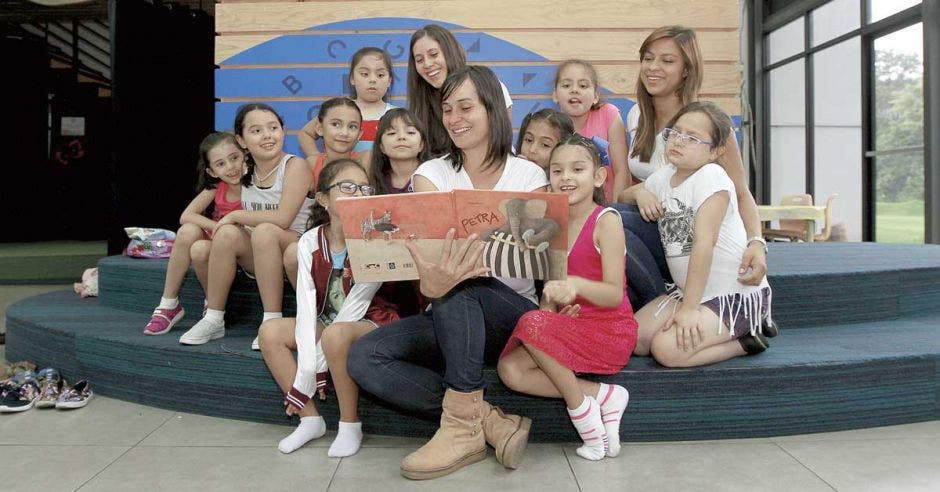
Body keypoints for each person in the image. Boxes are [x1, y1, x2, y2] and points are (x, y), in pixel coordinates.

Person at [348, 66, 544, 480]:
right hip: (450, 314)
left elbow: (539, 261)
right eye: (447, 109)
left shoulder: (530, 174)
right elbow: (434, 276)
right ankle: (482, 420)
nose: (454, 118)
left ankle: (460, 429)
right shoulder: (432, 174)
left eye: (466, 107)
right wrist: (433, 283)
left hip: (511, 317)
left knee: (464, 282)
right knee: (365, 356)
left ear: (492, 109)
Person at [259, 158, 417, 456]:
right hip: (329, 320)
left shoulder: (377, 237)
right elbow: (306, 306)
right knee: (270, 332)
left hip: (373, 319)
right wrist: (310, 367)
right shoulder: (309, 242)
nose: (358, 194)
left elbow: (359, 302)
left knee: (335, 335)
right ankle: (309, 419)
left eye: (364, 188)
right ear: (323, 199)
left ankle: (349, 424)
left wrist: (317, 363)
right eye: (348, 187)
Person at [498, 134, 637, 461]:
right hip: (572, 327)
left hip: (610, 332)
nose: (566, 177)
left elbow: (614, 293)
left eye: (577, 169)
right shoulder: (552, 226)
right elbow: (549, 295)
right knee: (510, 370)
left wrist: (576, 285)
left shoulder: (607, 221)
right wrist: (551, 317)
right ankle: (604, 396)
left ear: (599, 176)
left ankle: (582, 413)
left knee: (529, 321)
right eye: (557, 171)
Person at [615, 26, 768, 311]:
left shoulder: (708, 122)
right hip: (661, 224)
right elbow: (633, 190)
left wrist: (757, 243)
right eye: (648, 58)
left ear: (687, 70)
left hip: (699, 237)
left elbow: (741, 191)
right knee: (610, 215)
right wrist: (639, 193)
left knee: (613, 219)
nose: (653, 67)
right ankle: (658, 301)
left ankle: (665, 300)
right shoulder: (636, 115)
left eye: (667, 61)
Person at [620, 101, 773, 368]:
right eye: (675, 133)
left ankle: (745, 340)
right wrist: (641, 192)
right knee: (634, 339)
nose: (679, 141)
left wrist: (690, 310)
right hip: (687, 292)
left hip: (730, 296)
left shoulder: (712, 178)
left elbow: (704, 245)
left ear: (715, 151)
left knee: (666, 350)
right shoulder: (666, 175)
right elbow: (622, 196)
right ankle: (700, 318)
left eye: (692, 138)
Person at [179, 104, 315, 349]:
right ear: (241, 140)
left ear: (283, 131)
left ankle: (271, 320)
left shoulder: (295, 166)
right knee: (227, 233)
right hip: (260, 254)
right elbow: (204, 199)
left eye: (273, 128)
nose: (267, 135)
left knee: (262, 229)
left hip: (296, 251)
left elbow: (283, 218)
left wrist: (237, 215)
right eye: (256, 131)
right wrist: (227, 221)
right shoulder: (242, 170)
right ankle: (213, 318)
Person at [143, 132, 244, 335]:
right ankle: (169, 304)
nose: (231, 167)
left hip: (244, 247)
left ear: (245, 154)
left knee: (206, 243)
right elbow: (186, 216)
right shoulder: (217, 187)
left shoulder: (258, 183)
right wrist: (218, 225)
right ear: (212, 171)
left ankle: (213, 305)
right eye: (221, 164)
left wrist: (226, 226)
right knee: (188, 233)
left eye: (234, 158)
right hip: (220, 240)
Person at [407, 24, 513, 156]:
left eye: (434, 54)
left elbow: (503, 136)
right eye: (419, 60)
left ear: (450, 52)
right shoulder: (420, 104)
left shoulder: (488, 85)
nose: (427, 64)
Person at [552, 59, 630, 201]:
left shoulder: (609, 114)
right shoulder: (551, 126)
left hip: (608, 206)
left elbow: (622, 171)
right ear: (555, 95)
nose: (574, 90)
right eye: (566, 85)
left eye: (583, 85)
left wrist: (616, 210)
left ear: (595, 96)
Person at [299, 47, 395, 156]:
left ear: (389, 81)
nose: (372, 80)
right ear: (352, 79)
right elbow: (305, 133)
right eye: (364, 74)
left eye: (380, 75)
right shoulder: (340, 110)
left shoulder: (397, 115)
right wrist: (315, 159)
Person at [369, 108, 431, 193]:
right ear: (381, 147)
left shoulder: (434, 174)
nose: (401, 137)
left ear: (421, 145)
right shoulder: (373, 181)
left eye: (410, 132)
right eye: (392, 133)